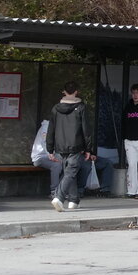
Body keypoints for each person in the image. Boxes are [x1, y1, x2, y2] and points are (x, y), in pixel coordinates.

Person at [46, 81, 93, 212]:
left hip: (60, 146)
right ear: (76, 92)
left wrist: (50, 148)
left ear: (64, 92)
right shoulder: (81, 107)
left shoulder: (56, 108)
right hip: (76, 145)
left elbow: (51, 129)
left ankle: (73, 200)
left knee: (69, 172)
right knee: (70, 173)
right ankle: (59, 197)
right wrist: (89, 148)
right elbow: (86, 129)